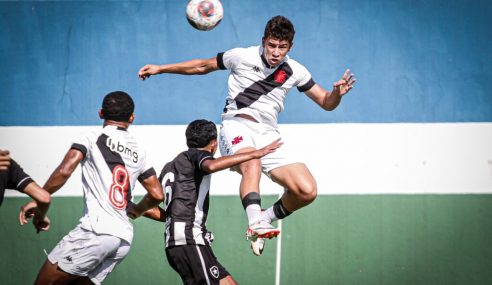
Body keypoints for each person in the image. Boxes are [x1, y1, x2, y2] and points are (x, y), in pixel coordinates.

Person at [138, 15, 356, 255]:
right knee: (251, 160)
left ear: (290, 47)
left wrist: (338, 94)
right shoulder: (241, 56)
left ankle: (264, 218)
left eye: (282, 48)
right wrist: (161, 68)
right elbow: (202, 65)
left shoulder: (296, 71)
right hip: (237, 125)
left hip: (269, 134)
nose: (275, 52)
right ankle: (254, 221)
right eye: (271, 45)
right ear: (263, 41)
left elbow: (326, 102)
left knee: (307, 190)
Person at [22, 91, 165, 285]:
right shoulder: (139, 151)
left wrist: (37, 197)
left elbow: (64, 171)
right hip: (122, 239)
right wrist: (136, 211)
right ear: (132, 118)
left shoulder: (91, 137)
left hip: (96, 232)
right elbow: (157, 194)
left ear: (100, 113)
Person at [146, 119, 281, 284]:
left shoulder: (170, 167)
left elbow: (161, 213)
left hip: (184, 242)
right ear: (213, 144)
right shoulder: (198, 156)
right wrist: (255, 154)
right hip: (189, 241)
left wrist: (131, 207)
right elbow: (210, 166)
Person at [0, 149, 51, 232]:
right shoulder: (5, 161)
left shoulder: (4, 161)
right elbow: (44, 198)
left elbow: (44, 198)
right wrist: (39, 215)